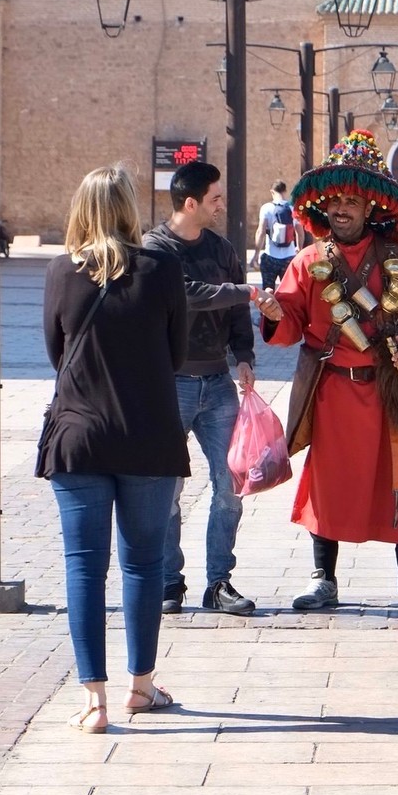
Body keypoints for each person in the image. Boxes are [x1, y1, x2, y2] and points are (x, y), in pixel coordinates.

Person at [261, 130, 398, 613]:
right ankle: (323, 579)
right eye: (335, 201)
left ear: (369, 208)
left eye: (351, 201)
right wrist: (275, 313)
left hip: (389, 391)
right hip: (332, 395)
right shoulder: (307, 261)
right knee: (328, 483)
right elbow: (288, 324)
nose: (341, 209)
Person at [38, 165, 189, 733]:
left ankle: (93, 701)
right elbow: (176, 354)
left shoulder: (61, 270)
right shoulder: (162, 268)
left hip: (79, 437)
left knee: (84, 565)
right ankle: (141, 688)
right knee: (144, 563)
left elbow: (56, 353)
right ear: (128, 209)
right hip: (148, 435)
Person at [143, 161, 261, 616]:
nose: (221, 205)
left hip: (218, 385)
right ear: (190, 203)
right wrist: (245, 291)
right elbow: (187, 293)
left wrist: (244, 355)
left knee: (230, 484)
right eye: (215, 198)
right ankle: (168, 581)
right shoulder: (155, 250)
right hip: (169, 384)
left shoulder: (222, 249)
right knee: (167, 489)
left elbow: (235, 315)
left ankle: (219, 583)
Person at [250, 180, 299, 290]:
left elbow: (261, 231)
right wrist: (299, 249)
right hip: (289, 257)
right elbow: (299, 231)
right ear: (285, 191)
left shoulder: (266, 208)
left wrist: (256, 255)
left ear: (272, 192)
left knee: (268, 290)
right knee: (288, 290)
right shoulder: (293, 208)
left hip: (270, 256)